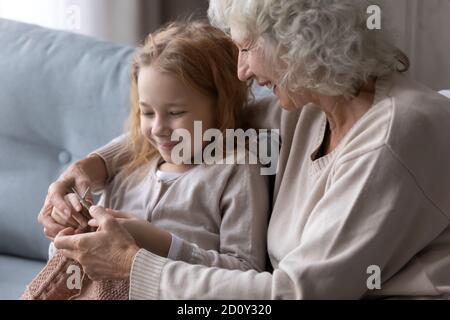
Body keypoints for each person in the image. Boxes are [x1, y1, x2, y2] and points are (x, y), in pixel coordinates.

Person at [40, 0, 450, 299]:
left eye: (247, 47)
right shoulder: (307, 106)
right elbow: (202, 127)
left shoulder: (392, 137)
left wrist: (133, 264)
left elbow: (298, 294)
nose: (241, 71)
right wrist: (90, 167)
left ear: (300, 41)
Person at [26, 21, 270, 299]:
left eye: (176, 112)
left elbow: (244, 273)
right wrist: (69, 230)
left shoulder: (236, 171)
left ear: (222, 104)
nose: (157, 129)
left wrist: (158, 244)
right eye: (148, 113)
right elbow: (74, 272)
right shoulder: (130, 168)